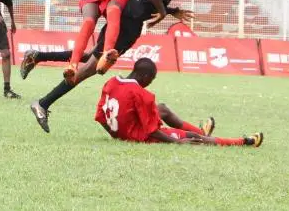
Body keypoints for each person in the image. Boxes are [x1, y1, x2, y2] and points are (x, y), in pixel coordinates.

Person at [25, 0, 190, 133]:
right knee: (88, 69)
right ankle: (43, 103)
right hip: (129, 25)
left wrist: (170, 10)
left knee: (91, 56)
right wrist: (162, 12)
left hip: (124, 17)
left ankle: (38, 56)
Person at [95, 58, 263, 147]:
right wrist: (177, 142)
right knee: (195, 139)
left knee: (162, 109)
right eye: (151, 79)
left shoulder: (111, 82)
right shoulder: (141, 94)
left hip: (124, 129)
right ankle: (243, 142)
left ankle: (203, 131)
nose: (150, 83)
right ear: (145, 76)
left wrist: (115, 134)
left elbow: (101, 117)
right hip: (138, 136)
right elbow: (153, 132)